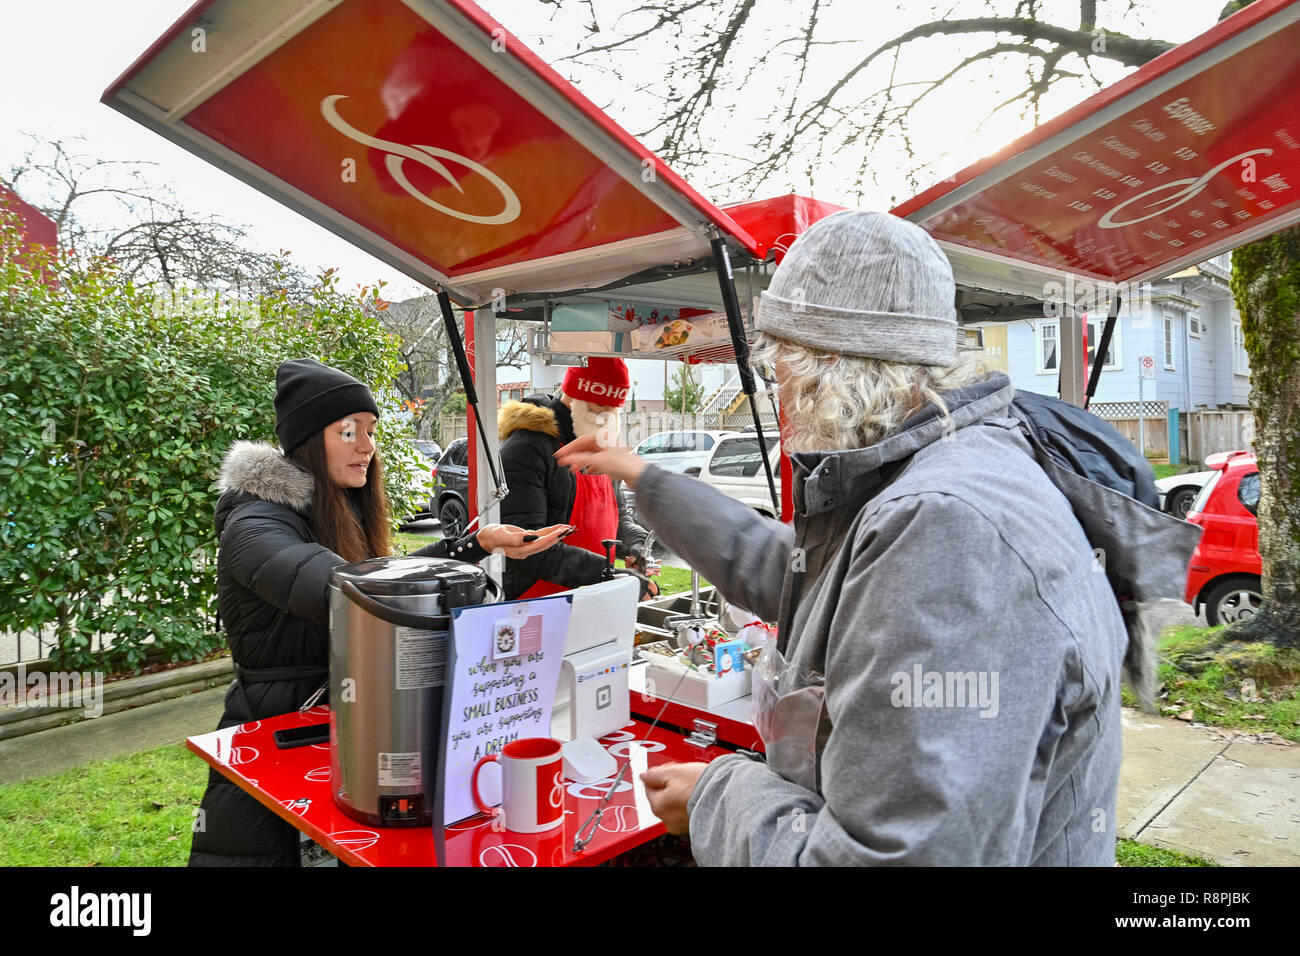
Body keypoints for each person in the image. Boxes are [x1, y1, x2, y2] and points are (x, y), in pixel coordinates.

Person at [555, 210, 1135, 866]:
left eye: (783, 356)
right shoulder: (941, 468)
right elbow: (793, 572)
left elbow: (889, 858)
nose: (777, 382)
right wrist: (645, 476)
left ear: (834, 364)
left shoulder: (945, 526)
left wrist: (719, 796)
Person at [189, 358, 567, 867]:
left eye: (371, 431)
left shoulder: (338, 508)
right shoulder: (255, 523)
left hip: (351, 729)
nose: (367, 446)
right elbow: (355, 591)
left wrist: (473, 545)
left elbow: (383, 579)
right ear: (306, 440)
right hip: (278, 733)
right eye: (349, 431)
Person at [497, 356, 657, 600]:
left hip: (595, 596)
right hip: (538, 601)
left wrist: (635, 543)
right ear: (574, 397)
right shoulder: (526, 450)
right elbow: (527, 545)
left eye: (614, 409)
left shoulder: (600, 445)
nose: (607, 417)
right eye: (598, 407)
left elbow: (617, 515)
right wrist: (609, 574)